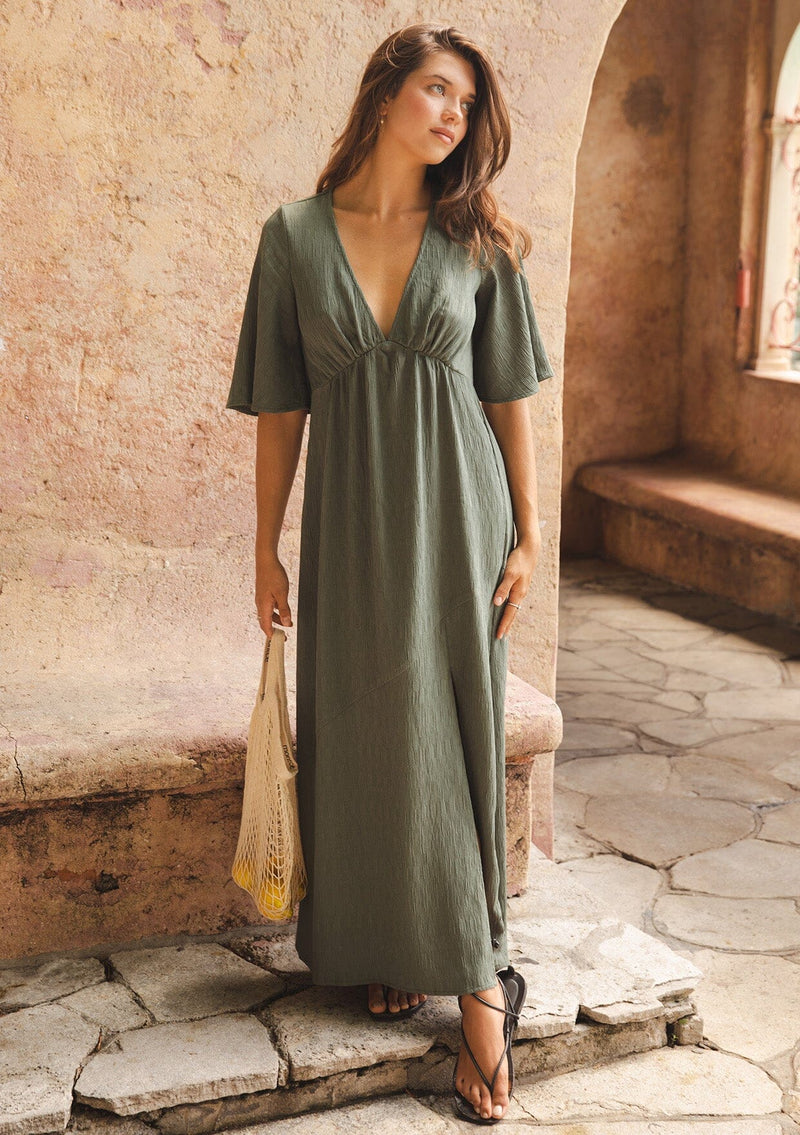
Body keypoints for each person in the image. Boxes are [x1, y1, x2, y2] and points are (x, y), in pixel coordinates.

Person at [225, 22, 554, 1125]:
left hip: (459, 516)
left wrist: (528, 529)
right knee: (364, 725)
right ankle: (385, 937)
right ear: (381, 95)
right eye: (436, 90)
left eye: (465, 101)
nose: (453, 115)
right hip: (349, 521)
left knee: (440, 725)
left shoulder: (479, 242)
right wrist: (264, 540)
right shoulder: (293, 235)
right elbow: (280, 405)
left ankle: (474, 986)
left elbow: (508, 397)